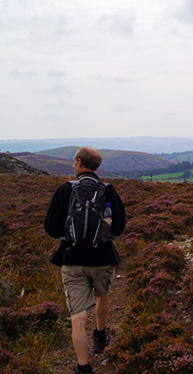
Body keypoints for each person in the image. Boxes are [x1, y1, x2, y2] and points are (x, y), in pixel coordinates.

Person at [44, 147, 126, 374]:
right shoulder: (108, 191)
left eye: (74, 162)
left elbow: (50, 227)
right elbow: (118, 227)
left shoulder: (64, 191)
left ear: (80, 162)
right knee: (102, 295)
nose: (73, 165)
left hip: (71, 259)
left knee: (77, 316)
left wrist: (69, 235)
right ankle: (100, 334)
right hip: (102, 257)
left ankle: (83, 367)